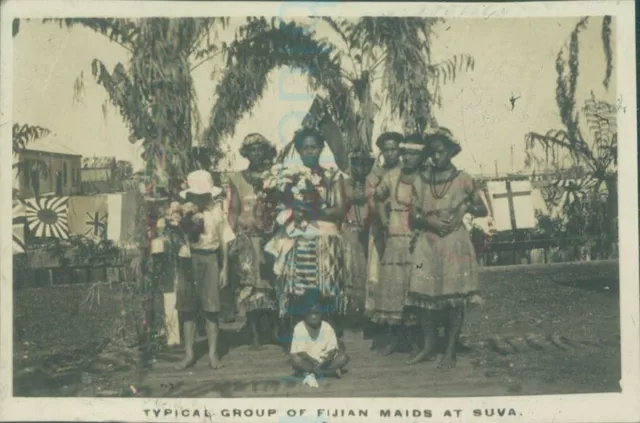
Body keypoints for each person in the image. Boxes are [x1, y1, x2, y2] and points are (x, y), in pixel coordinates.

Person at [407, 127, 487, 368]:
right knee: (423, 293)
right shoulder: (421, 179)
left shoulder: (464, 179)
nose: (436, 156)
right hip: (428, 242)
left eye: (441, 152)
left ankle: (450, 349)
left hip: (455, 242)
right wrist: (428, 220)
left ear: (451, 152)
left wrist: (463, 209)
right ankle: (429, 345)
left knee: (455, 298)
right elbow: (413, 214)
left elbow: (482, 209)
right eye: (433, 152)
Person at [265, 126, 347, 341]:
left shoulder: (332, 175)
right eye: (305, 148)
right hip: (298, 238)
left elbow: (339, 208)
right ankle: (298, 340)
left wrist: (315, 210)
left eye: (314, 147)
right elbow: (281, 206)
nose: (310, 151)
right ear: (299, 151)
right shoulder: (289, 176)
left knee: (326, 290)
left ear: (321, 148)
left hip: (325, 238)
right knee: (297, 290)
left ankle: (328, 340)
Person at [370, 134, 427, 356]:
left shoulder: (425, 177)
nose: (409, 158)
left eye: (414, 154)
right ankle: (396, 339)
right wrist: (384, 220)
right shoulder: (392, 176)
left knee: (415, 289)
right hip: (395, 239)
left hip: (418, 241)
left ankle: (418, 340)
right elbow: (377, 197)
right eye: (406, 154)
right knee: (394, 289)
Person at [175, 170, 235, 370]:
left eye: (202, 195)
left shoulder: (217, 213)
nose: (198, 198)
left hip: (210, 259)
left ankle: (212, 353)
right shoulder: (182, 214)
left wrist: (224, 268)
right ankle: (189, 353)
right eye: (195, 195)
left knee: (211, 309)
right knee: (188, 308)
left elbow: (225, 240)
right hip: (188, 261)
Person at [227, 133, 279, 350]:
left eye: (260, 149)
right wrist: (237, 228)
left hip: (271, 237)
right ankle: (255, 333)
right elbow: (234, 209)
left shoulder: (275, 175)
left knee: (271, 284)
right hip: (248, 239)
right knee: (250, 285)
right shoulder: (237, 178)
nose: (257, 154)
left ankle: (274, 330)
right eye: (252, 150)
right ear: (246, 153)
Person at [364, 132, 402, 349]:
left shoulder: (406, 172)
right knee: (381, 275)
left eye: (394, 148)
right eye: (386, 149)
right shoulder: (374, 175)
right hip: (381, 229)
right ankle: (386, 329)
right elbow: (372, 202)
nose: (390, 153)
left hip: (403, 230)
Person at [342, 149, 375, 318]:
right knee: (350, 269)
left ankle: (366, 312)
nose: (360, 168)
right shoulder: (345, 183)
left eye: (365, 163)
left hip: (368, 231)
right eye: (356, 163)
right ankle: (351, 310)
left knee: (367, 271)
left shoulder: (374, 182)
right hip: (349, 230)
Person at [289, 301, 350, 386]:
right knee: (295, 360)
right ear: (305, 315)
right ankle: (328, 373)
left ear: (321, 314)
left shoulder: (327, 327)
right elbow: (301, 353)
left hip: (324, 363)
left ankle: (313, 372)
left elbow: (333, 350)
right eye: (311, 313)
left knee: (344, 358)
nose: (314, 317)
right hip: (307, 362)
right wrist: (313, 362)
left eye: (316, 313)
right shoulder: (299, 327)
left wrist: (326, 360)